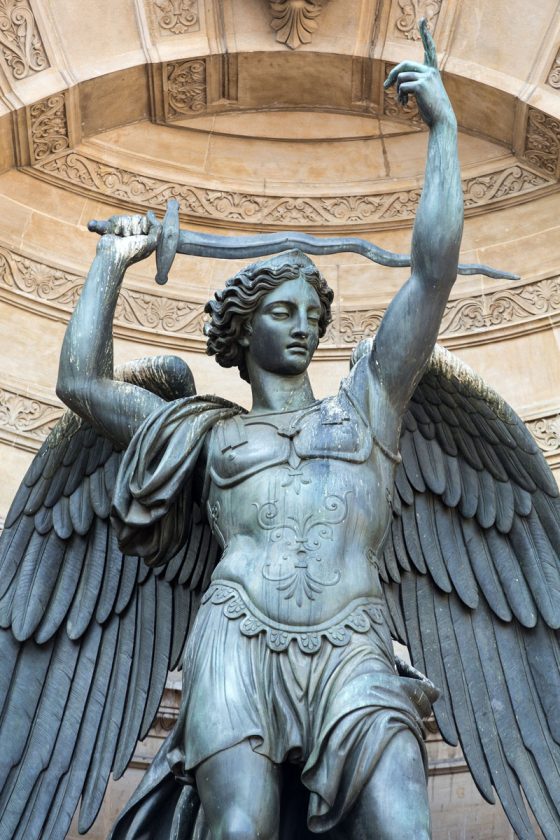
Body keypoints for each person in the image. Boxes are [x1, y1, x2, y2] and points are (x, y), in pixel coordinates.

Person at [56, 25, 462, 840]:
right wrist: (112, 263)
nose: (304, 328)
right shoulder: (205, 433)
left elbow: (431, 270)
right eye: (283, 313)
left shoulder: (367, 404)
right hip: (237, 633)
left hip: (352, 643)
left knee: (404, 824)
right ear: (244, 335)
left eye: (313, 315)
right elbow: (80, 384)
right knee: (237, 827)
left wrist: (444, 131)